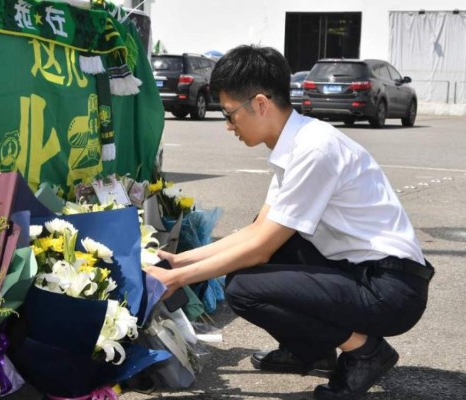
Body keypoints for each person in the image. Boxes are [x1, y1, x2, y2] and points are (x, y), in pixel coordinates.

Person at [144, 44, 434, 400]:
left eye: (230, 113)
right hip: (364, 272)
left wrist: (176, 279)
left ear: (261, 104)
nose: (228, 125)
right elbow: (257, 230)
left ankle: (365, 351)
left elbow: (260, 248)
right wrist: (181, 260)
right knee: (271, 245)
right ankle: (310, 350)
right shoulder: (297, 142)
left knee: (245, 288)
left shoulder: (313, 149)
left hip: (390, 289)